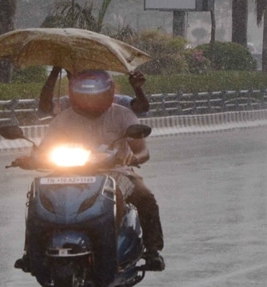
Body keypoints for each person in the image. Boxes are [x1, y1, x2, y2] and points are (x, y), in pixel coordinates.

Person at [18, 69, 165, 271]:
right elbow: (44, 149)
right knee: (37, 196)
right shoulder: (62, 119)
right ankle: (32, 252)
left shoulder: (123, 114)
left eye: (95, 96)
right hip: (69, 171)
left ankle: (152, 251)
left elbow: (143, 152)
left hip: (117, 171)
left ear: (109, 92)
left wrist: (133, 158)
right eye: (84, 96)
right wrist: (30, 159)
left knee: (145, 197)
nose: (89, 101)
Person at [38, 66, 149, 116]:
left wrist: (137, 88)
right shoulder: (69, 103)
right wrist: (55, 71)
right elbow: (45, 106)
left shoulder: (117, 102)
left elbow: (142, 107)